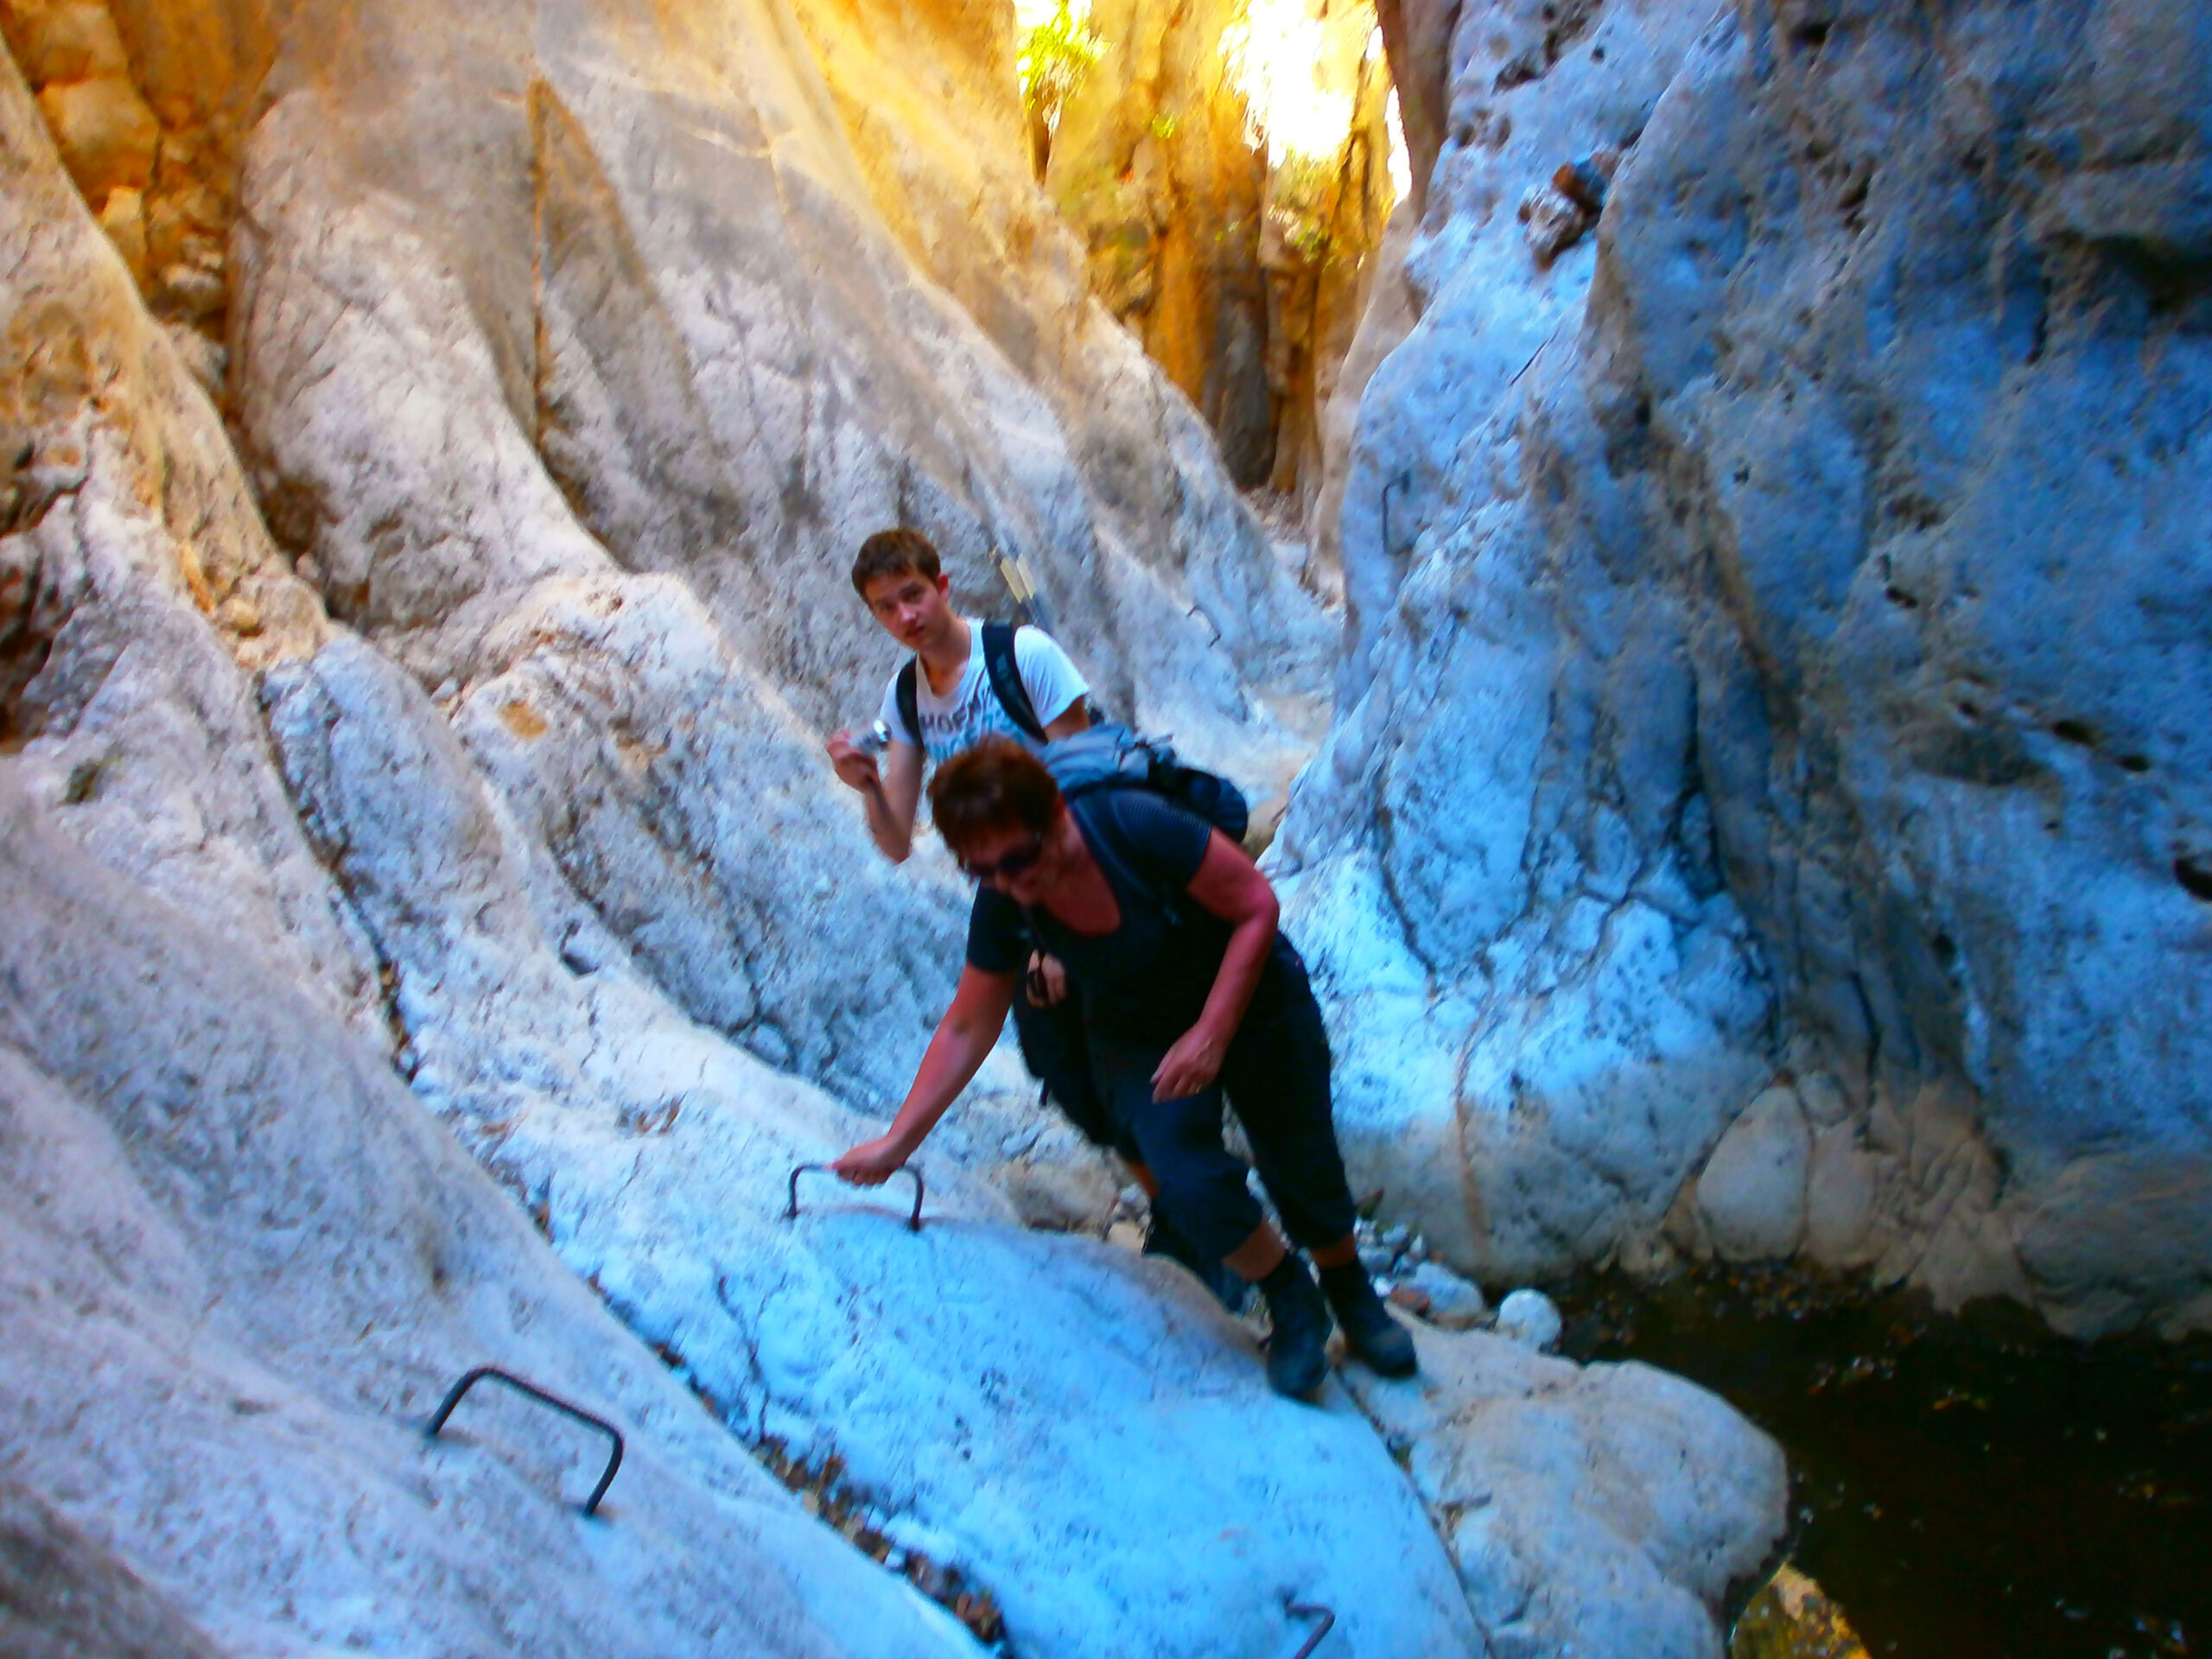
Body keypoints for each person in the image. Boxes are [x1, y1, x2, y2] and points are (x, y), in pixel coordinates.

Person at [830, 738, 1417, 1399]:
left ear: (1055, 813)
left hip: (1251, 999)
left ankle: (1350, 1290)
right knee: (1185, 1178)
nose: (1007, 882)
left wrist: (1212, 1032)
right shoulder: (1007, 897)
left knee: (1298, 1156)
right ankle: (1290, 1297)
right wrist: (897, 1141)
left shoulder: (1134, 826)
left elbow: (1256, 905)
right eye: (982, 871)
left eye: (1018, 858)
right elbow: (969, 1024)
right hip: (1138, 1021)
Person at [823, 530, 1236, 1300]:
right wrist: (868, 785)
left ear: (943, 584)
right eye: (887, 608)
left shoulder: (1021, 656)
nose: (906, 616)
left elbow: (1087, 781)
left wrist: (1060, 938)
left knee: (1134, 1066)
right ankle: (1179, 1214)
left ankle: (1223, 1229)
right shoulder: (907, 697)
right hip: (1010, 892)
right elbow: (898, 842)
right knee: (1067, 1077)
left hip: (1087, 871)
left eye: (913, 594)